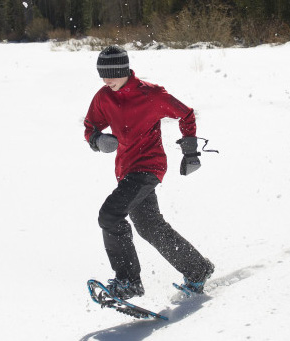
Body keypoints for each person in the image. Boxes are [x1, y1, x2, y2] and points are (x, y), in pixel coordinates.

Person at [84, 45, 214, 299]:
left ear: (123, 70)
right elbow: (90, 126)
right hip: (125, 170)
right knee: (149, 226)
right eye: (102, 74)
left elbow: (185, 114)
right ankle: (197, 269)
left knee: (110, 216)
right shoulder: (103, 97)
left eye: (110, 74)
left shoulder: (151, 94)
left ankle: (128, 282)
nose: (105, 79)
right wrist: (97, 140)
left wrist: (190, 151)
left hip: (149, 166)